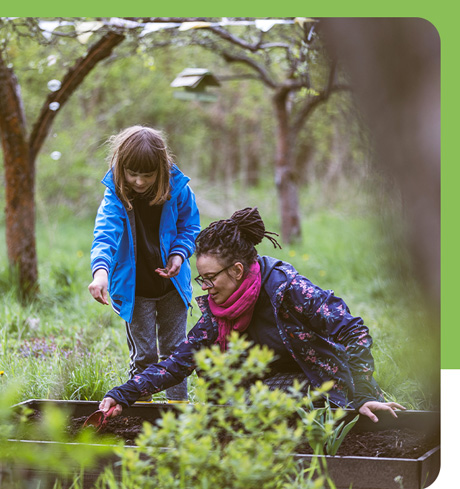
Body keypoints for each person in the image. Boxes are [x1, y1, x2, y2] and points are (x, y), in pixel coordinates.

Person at [98, 207, 405, 422]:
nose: (204, 287)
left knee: (248, 405)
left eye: (209, 278)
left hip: (320, 384)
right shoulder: (219, 312)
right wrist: (122, 394)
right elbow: (178, 363)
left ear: (237, 270)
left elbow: (353, 330)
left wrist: (364, 394)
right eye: (201, 279)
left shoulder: (289, 292)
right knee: (232, 404)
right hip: (270, 390)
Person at [89, 126, 201, 403]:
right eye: (132, 173)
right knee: (145, 355)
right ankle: (140, 409)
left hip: (172, 286)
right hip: (134, 290)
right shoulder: (115, 195)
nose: (139, 182)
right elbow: (105, 235)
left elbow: (190, 226)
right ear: (121, 168)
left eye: (147, 175)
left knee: (176, 352)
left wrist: (178, 254)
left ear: (161, 169)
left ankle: (178, 410)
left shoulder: (179, 189)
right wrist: (100, 273)